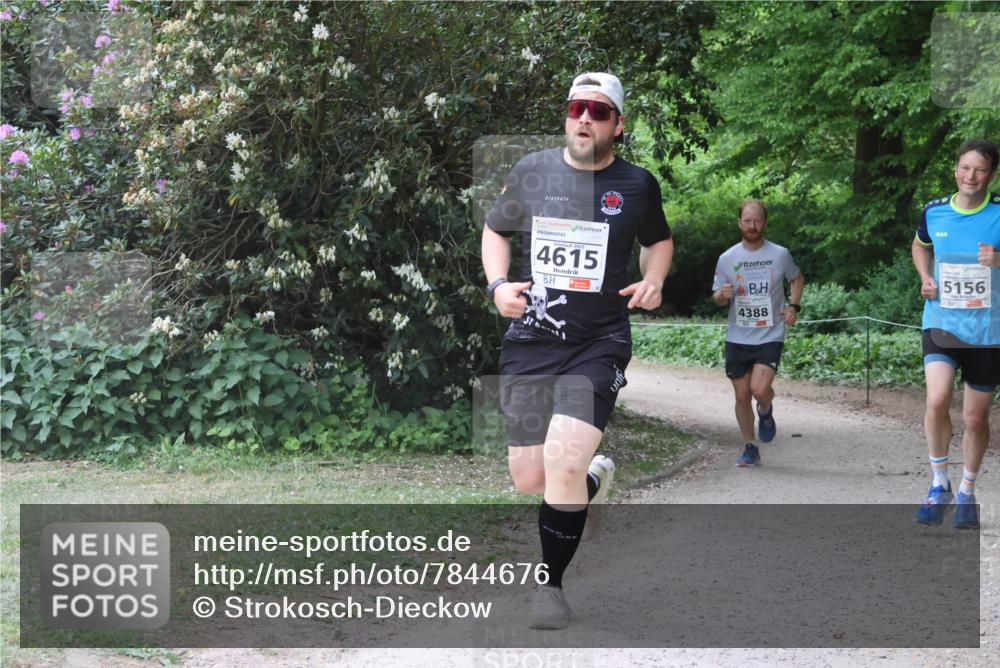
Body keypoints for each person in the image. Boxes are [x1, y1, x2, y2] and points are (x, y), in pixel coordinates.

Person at [481, 72, 673, 629]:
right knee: (530, 478)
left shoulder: (637, 184)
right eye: (575, 108)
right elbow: (497, 230)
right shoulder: (532, 171)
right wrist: (498, 287)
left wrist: (654, 278)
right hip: (533, 339)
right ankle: (591, 483)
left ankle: (550, 587)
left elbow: (658, 240)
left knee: (562, 462)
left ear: (618, 124)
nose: (583, 117)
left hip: (599, 340)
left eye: (597, 109)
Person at [911, 138, 1000, 531]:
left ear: (991, 175)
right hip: (942, 322)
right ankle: (937, 485)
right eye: (965, 167)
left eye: (980, 169)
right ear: (955, 170)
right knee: (936, 400)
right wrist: (925, 276)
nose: (971, 176)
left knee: (975, 418)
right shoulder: (934, 212)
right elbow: (919, 246)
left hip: (989, 332)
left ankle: (966, 490)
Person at [711, 200, 804, 467]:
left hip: (769, 333)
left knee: (759, 389)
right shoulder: (727, 258)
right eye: (747, 221)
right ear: (739, 223)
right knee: (741, 396)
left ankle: (765, 409)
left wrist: (793, 306)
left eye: (757, 221)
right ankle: (750, 446)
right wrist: (721, 294)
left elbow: (797, 278)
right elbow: (717, 296)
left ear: (765, 222)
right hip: (737, 336)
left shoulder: (780, 254)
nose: (752, 226)